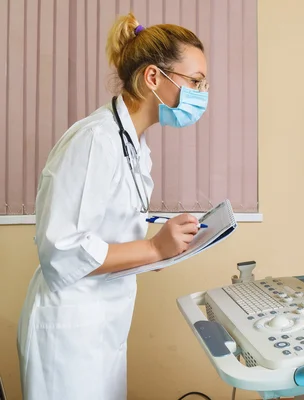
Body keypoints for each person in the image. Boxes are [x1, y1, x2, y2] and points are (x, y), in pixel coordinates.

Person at [16, 12, 209, 400]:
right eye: (196, 82)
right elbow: (63, 250)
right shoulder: (94, 141)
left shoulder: (133, 146)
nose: (202, 94)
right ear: (154, 78)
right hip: (70, 330)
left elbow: (112, 228)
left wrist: (166, 245)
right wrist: (155, 248)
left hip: (101, 323)